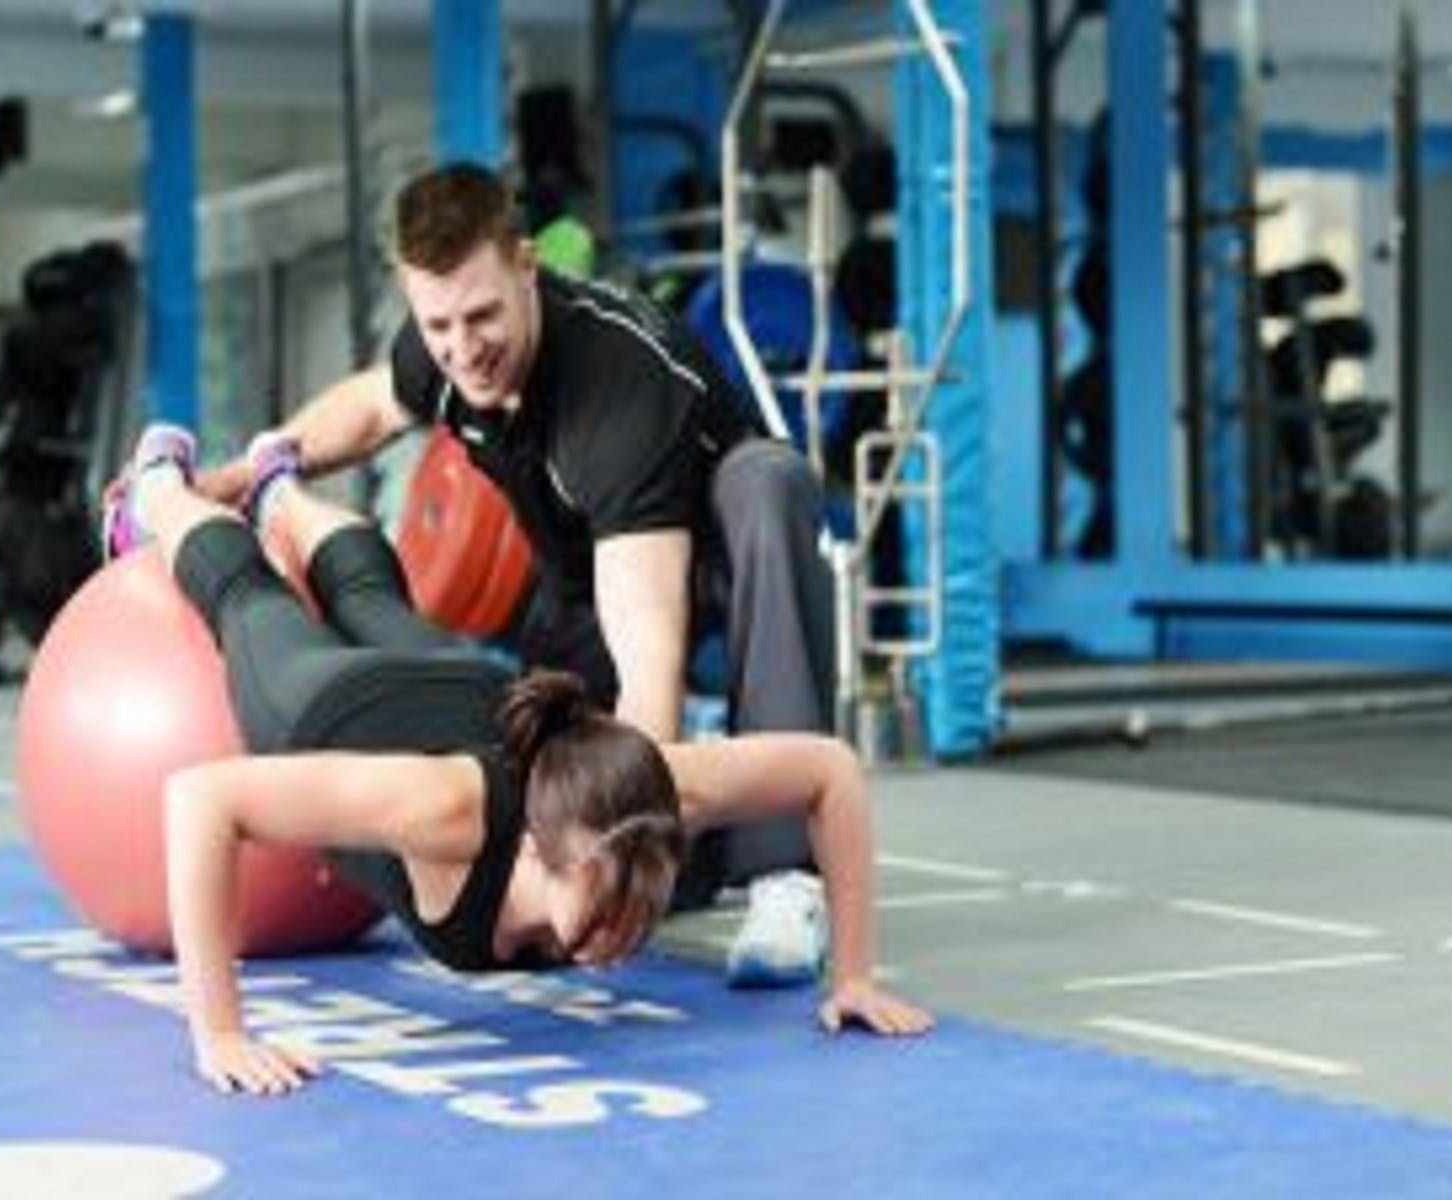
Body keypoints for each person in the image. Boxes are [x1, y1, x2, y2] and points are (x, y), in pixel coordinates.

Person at [106, 423, 932, 1096]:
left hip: (466, 690)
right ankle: (157, 483)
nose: (623, 935)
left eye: (639, 912)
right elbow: (202, 799)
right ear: (539, 844)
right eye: (608, 910)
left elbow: (830, 770)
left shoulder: (641, 796)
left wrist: (852, 975)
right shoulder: (442, 810)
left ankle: (279, 487)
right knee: (249, 599)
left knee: (373, 597)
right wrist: (218, 1032)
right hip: (338, 707)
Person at [199, 162, 838, 988]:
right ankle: (704, 840)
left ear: (527, 265)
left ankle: (784, 874)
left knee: (769, 481)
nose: (464, 349)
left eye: (482, 317)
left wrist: (609, 865)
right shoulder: (448, 345)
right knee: (537, 766)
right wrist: (239, 477)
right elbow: (367, 406)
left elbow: (648, 644)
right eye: (439, 327)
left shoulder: (614, 388)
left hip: (705, 553)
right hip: (577, 581)